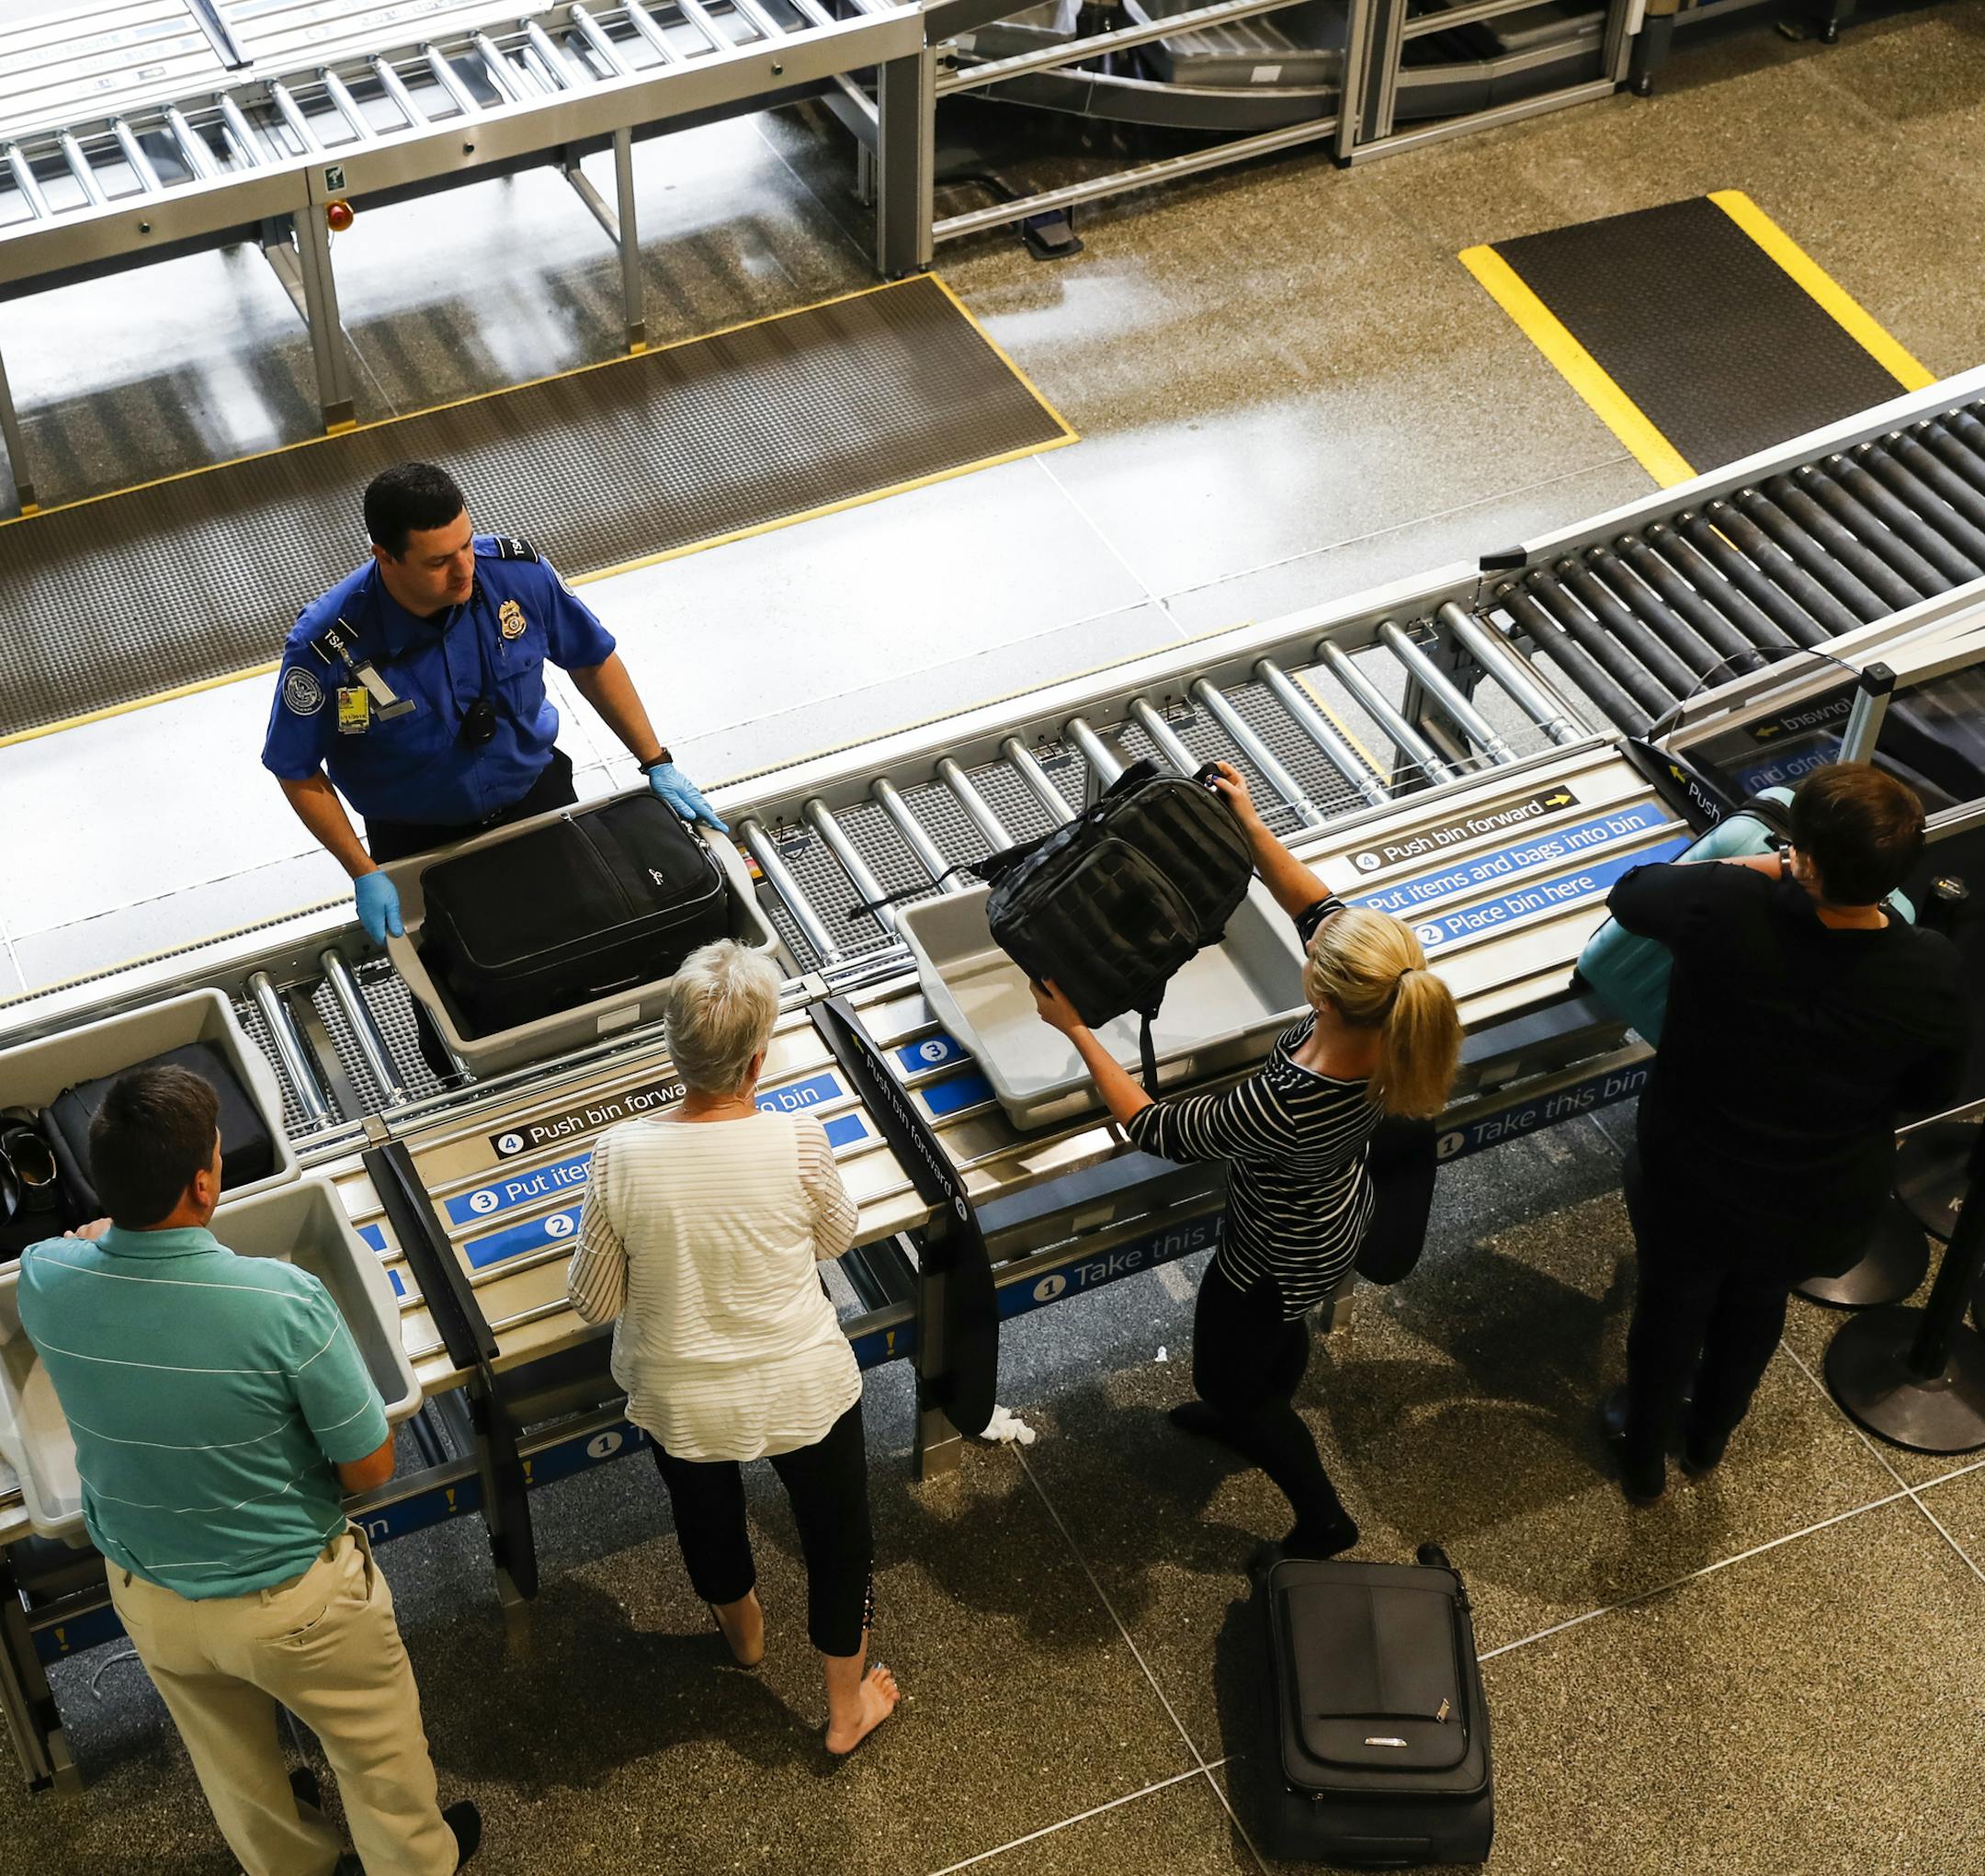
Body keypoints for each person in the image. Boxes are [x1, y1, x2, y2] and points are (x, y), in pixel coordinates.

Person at [15, 1065, 477, 1875]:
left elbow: (67, 1247)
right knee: (379, 1759)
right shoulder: (282, 1301)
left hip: (152, 1598)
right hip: (293, 1607)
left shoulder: (47, 1282)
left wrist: (97, 1236)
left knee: (239, 1777)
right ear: (203, 1183)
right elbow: (371, 1467)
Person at [1031, 763, 1463, 1560]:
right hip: (1335, 1212)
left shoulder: (1291, 1098)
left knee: (1227, 1373)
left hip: (1270, 1253)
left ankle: (1317, 1508)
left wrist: (1077, 1030)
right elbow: (1314, 903)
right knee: (1276, 1336)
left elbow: (1157, 1128)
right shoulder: (1391, 1009)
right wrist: (1250, 823)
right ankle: (1257, 1396)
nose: (1313, 940)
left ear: (1324, 999)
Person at [261, 460, 721, 1071]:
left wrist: (655, 760)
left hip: (537, 800)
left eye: (464, 545)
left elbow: (591, 658)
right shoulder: (330, 644)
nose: (463, 569)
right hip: (417, 841)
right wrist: (363, 869)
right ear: (385, 556)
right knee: (459, 996)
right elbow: (295, 768)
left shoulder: (514, 575)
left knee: (581, 954)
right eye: (438, 560)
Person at [1601, 761, 1968, 1502]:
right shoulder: (1929, 964)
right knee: (1757, 1303)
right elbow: (1932, 1089)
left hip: (1692, 1176)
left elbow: (1631, 895)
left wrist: (1769, 862)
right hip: (1818, 1198)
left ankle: (1643, 1455)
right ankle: (1708, 1439)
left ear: (1804, 857)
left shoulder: (1730, 903)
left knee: (1671, 1304)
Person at [565, 940, 899, 1753]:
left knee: (706, 1514)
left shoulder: (619, 1154)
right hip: (802, 1386)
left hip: (682, 1397)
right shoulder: (798, 1139)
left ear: (673, 1050)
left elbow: (593, 1298)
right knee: (836, 1536)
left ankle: (745, 1639)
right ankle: (845, 1709)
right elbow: (838, 1235)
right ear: (758, 1061)